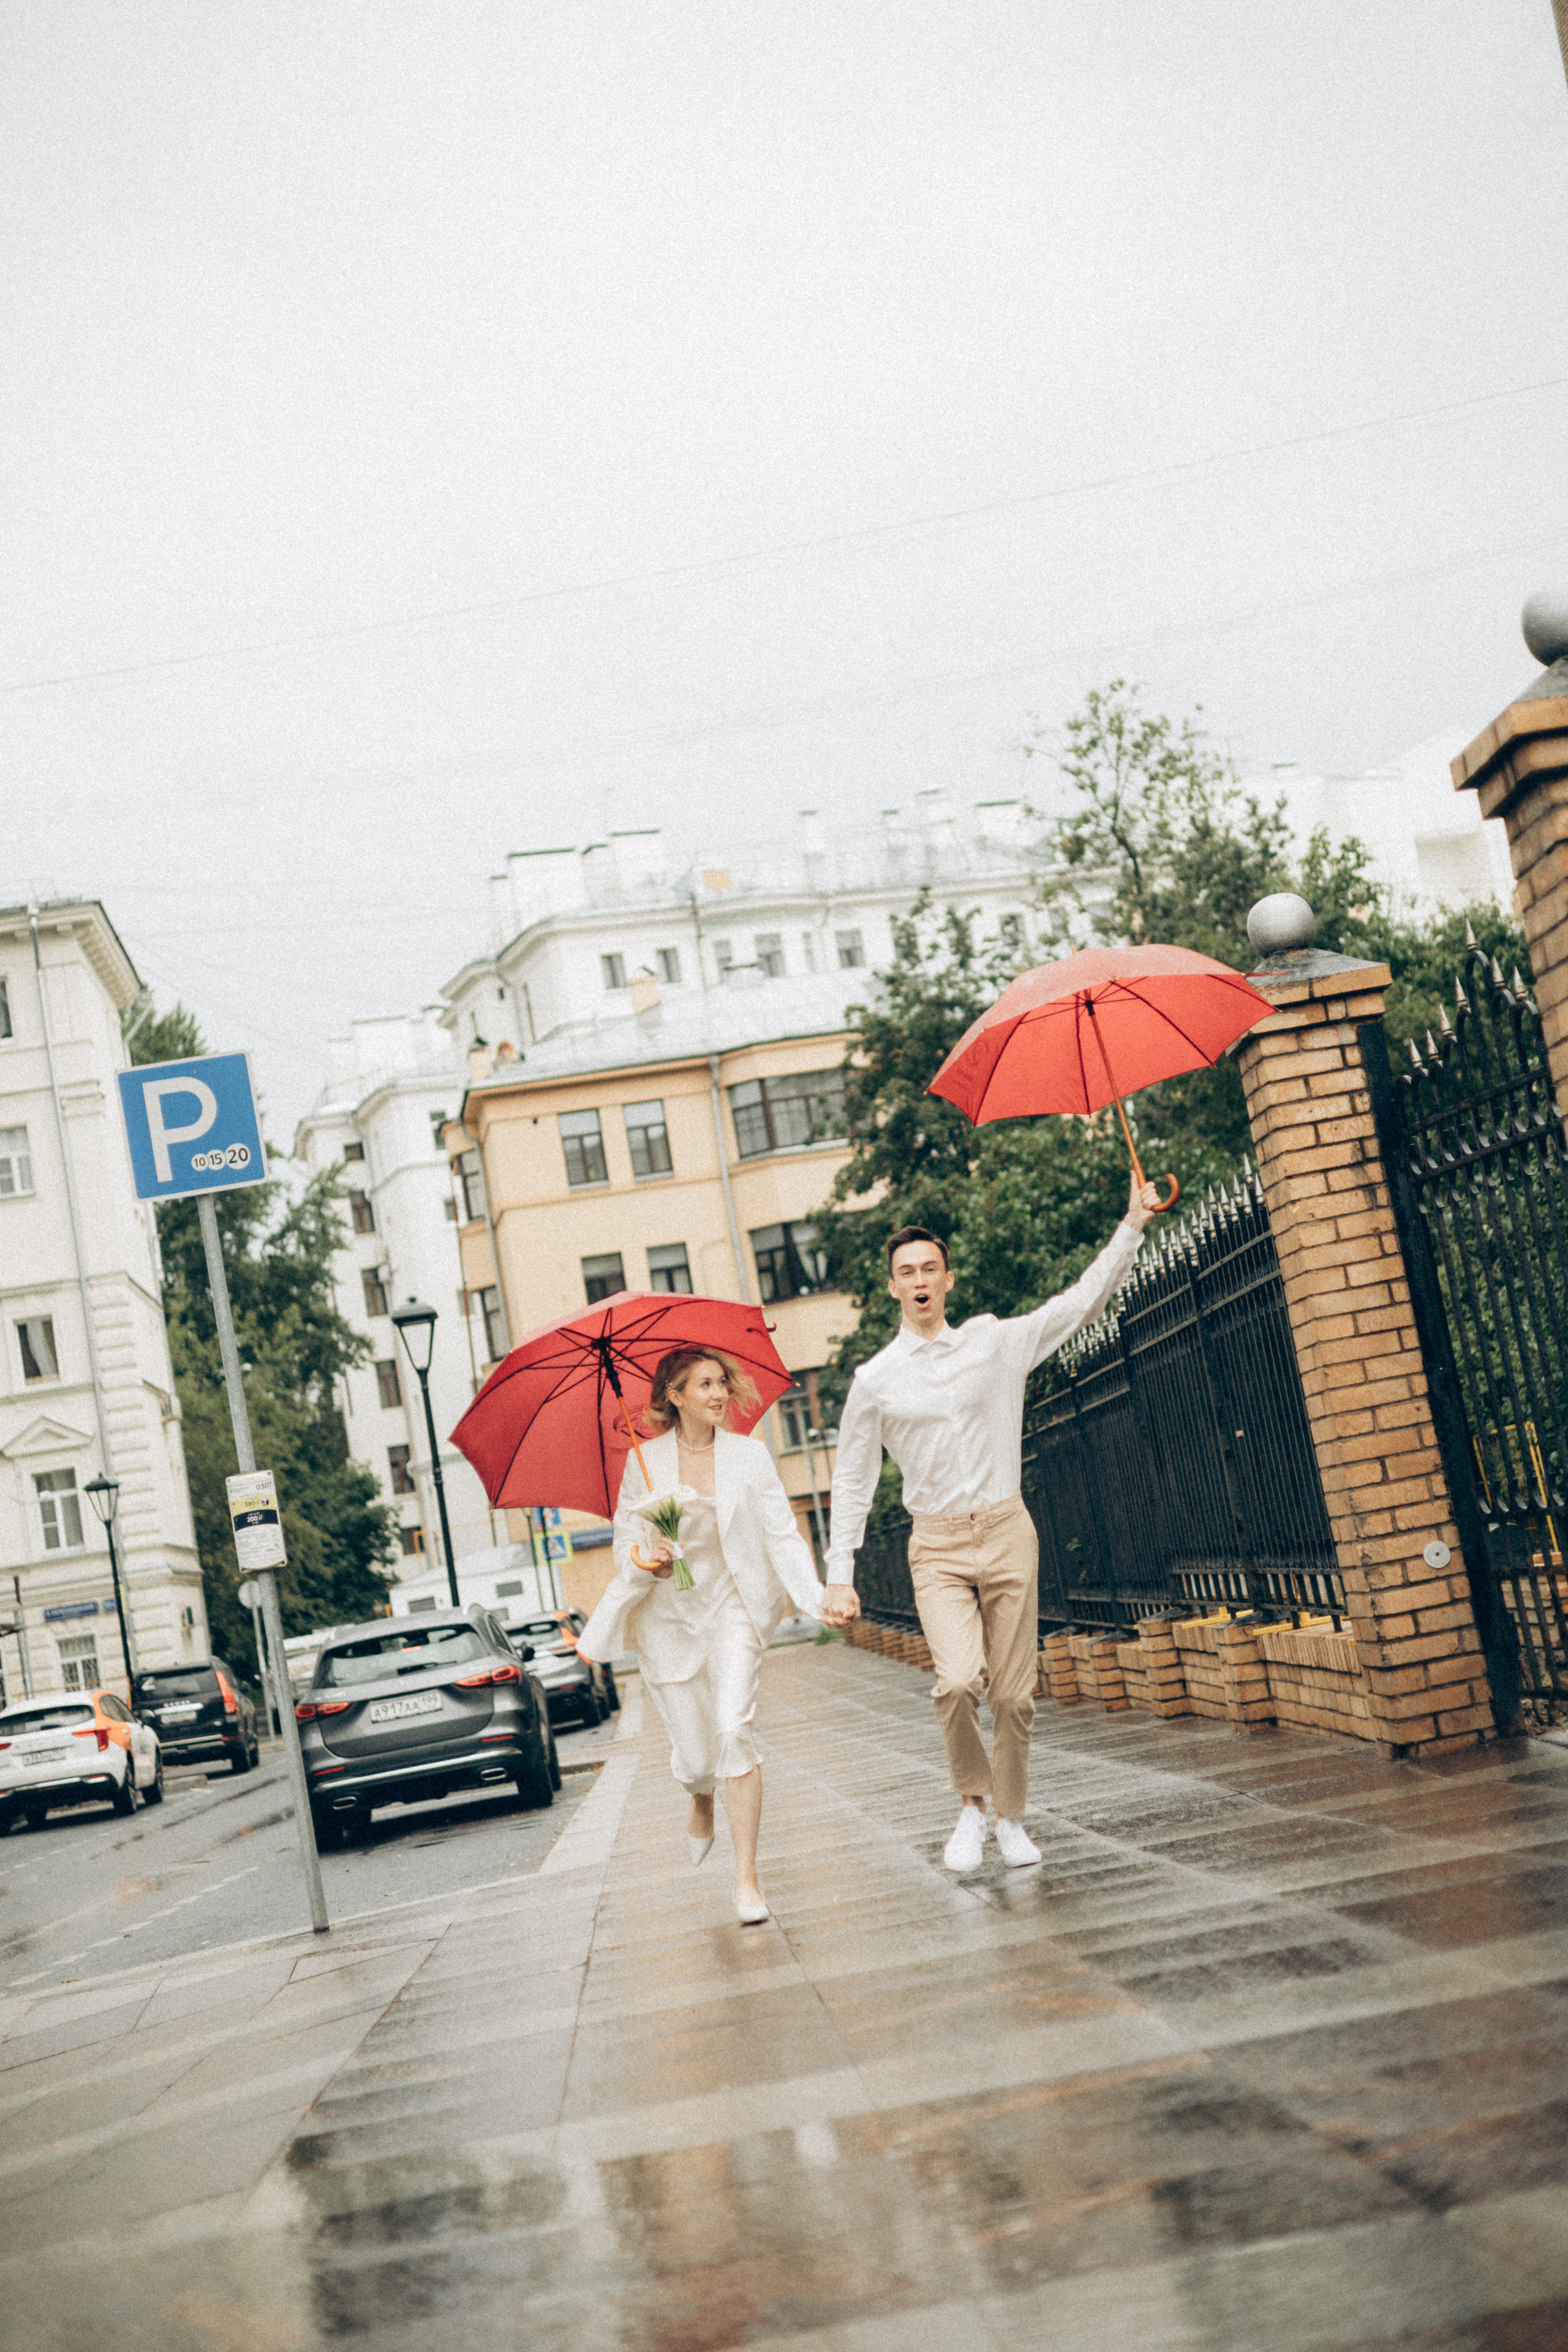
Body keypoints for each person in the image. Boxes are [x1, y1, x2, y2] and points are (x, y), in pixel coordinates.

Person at [822, 1170, 1160, 1872]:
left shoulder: (995, 1343)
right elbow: (852, 1479)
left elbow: (1079, 1305)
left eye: (929, 1269)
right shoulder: (875, 1380)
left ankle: (1009, 1817)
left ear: (948, 1279)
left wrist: (1131, 1227)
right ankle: (970, 1807)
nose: (918, 1281)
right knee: (955, 1681)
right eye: (905, 1272)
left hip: (1007, 1531)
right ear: (892, 1288)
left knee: (1013, 1695)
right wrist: (838, 1573)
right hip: (938, 1544)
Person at [578, 1347, 824, 1923]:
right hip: (668, 1621)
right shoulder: (642, 1465)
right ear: (674, 1395)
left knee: (735, 1726)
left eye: (722, 1383)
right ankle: (699, 1793)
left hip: (733, 1608)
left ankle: (746, 1880)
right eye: (705, 1385)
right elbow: (623, 1551)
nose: (719, 1394)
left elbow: (782, 1536)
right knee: (694, 1753)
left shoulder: (751, 1457)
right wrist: (650, 1560)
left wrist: (817, 1599)